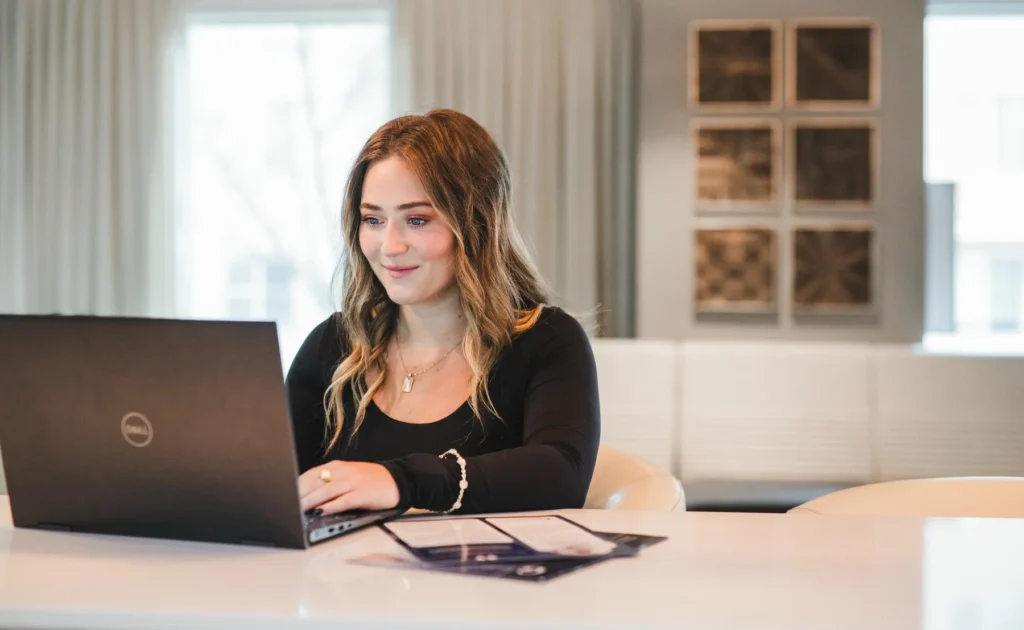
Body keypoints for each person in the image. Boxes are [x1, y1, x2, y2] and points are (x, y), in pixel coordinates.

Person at [286, 109, 600, 517]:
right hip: (344, 580)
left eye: (417, 220)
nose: (389, 246)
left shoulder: (547, 341)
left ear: (477, 224)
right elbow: (271, 481)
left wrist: (400, 482)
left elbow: (562, 474)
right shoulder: (334, 344)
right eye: (373, 219)